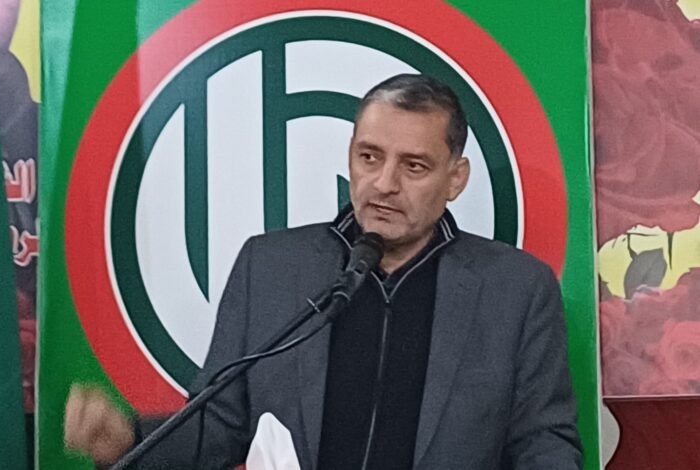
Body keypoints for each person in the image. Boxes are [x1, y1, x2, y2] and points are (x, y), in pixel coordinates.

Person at [65, 74, 582, 469]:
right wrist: (128, 440)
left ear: (456, 179)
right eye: (369, 157)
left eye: (414, 166)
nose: (384, 183)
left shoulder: (516, 290)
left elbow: (543, 443)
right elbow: (219, 426)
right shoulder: (270, 268)